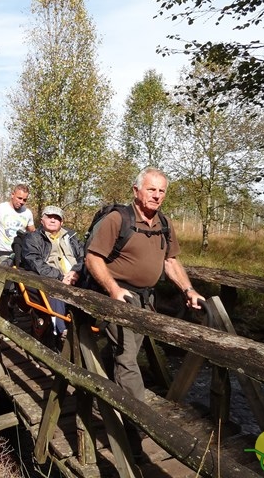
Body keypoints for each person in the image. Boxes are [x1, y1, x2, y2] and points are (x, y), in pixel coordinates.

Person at [85, 167, 204, 460]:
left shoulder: (164, 223)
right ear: (136, 190)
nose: (157, 195)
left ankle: (100, 382)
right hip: (119, 295)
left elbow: (171, 261)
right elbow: (92, 257)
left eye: (162, 191)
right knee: (127, 358)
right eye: (152, 189)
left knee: (126, 354)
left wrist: (188, 290)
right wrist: (113, 289)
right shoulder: (117, 219)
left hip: (145, 298)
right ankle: (138, 427)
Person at [21, 205, 83, 345]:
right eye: (49, 217)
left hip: (75, 276)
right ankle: (61, 331)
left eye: (57, 218)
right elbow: (34, 262)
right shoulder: (33, 238)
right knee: (57, 290)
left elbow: (84, 257)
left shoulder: (71, 237)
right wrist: (61, 277)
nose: (53, 220)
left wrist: (76, 272)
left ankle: (91, 328)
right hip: (50, 278)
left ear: (62, 222)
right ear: (42, 220)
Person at [0, 184, 36, 321]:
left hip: (20, 253)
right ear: (12, 195)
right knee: (4, 287)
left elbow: (33, 232)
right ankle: (4, 318)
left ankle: (12, 305)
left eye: (24, 200)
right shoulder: (0, 209)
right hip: (3, 252)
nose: (21, 202)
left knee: (25, 286)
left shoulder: (27, 213)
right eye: (19, 198)